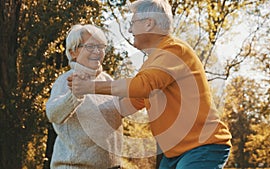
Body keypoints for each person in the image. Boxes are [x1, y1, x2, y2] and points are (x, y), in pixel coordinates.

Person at [68, 0, 232, 168]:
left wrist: (91, 86)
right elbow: (133, 102)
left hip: (203, 146)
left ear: (148, 24)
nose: (130, 29)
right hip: (175, 153)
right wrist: (81, 112)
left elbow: (143, 86)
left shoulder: (174, 51)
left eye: (133, 23)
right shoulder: (152, 63)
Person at [46, 24, 122, 169]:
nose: (97, 51)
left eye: (101, 46)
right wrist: (74, 96)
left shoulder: (108, 80)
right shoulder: (66, 80)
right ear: (73, 51)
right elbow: (52, 114)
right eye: (91, 46)